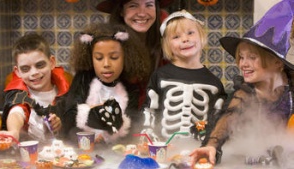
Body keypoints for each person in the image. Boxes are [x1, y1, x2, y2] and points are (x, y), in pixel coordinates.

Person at [190, 0, 294, 167]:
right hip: (250, 159)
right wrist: (211, 146)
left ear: (277, 63)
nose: (243, 64)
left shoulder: (291, 89)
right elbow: (229, 115)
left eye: (252, 57)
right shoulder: (245, 92)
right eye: (241, 57)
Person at [141, 10, 227, 141]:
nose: (185, 39)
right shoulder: (159, 75)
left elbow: (217, 118)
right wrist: (147, 133)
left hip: (199, 150)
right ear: (167, 45)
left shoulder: (213, 82)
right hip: (162, 148)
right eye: (176, 37)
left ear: (201, 37)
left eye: (190, 33)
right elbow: (149, 110)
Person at [62, 23, 150, 143]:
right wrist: (91, 115)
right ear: (90, 58)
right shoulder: (83, 78)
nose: (106, 64)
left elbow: (133, 123)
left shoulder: (130, 82)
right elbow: (69, 119)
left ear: (126, 57)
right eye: (99, 58)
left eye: (114, 57)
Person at [96, 0, 174, 108]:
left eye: (149, 5)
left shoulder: (168, 45)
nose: (142, 13)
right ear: (121, 11)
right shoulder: (106, 46)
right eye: (133, 6)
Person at [0, 34, 70, 142]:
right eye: (26, 69)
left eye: (40, 65)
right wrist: (14, 131)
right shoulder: (18, 93)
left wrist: (60, 125)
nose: (34, 73)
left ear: (51, 62)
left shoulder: (64, 91)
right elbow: (16, 113)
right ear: (18, 72)